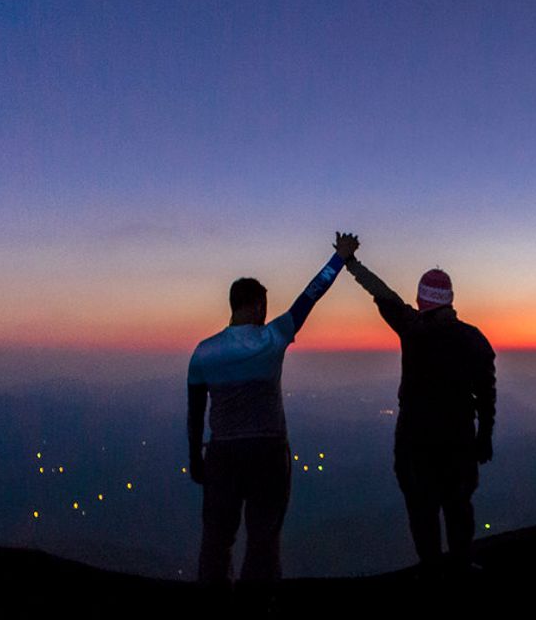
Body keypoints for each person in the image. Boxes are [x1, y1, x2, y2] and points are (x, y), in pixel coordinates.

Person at [186, 232, 358, 591]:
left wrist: (196, 457)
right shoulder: (273, 337)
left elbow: (195, 410)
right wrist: (340, 258)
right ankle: (258, 607)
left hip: (222, 453)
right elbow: (311, 295)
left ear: (232, 305)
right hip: (267, 452)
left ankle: (211, 604)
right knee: (263, 538)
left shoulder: (204, 352)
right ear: (257, 305)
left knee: (217, 538)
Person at [340, 238, 496, 578]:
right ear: (450, 300)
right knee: (458, 509)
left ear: (422, 299)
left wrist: (350, 262)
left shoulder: (412, 328)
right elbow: (487, 395)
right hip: (459, 442)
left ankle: (431, 573)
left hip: (416, 441)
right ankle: (461, 566)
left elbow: (381, 292)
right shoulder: (474, 339)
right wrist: (484, 438)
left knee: (422, 512)